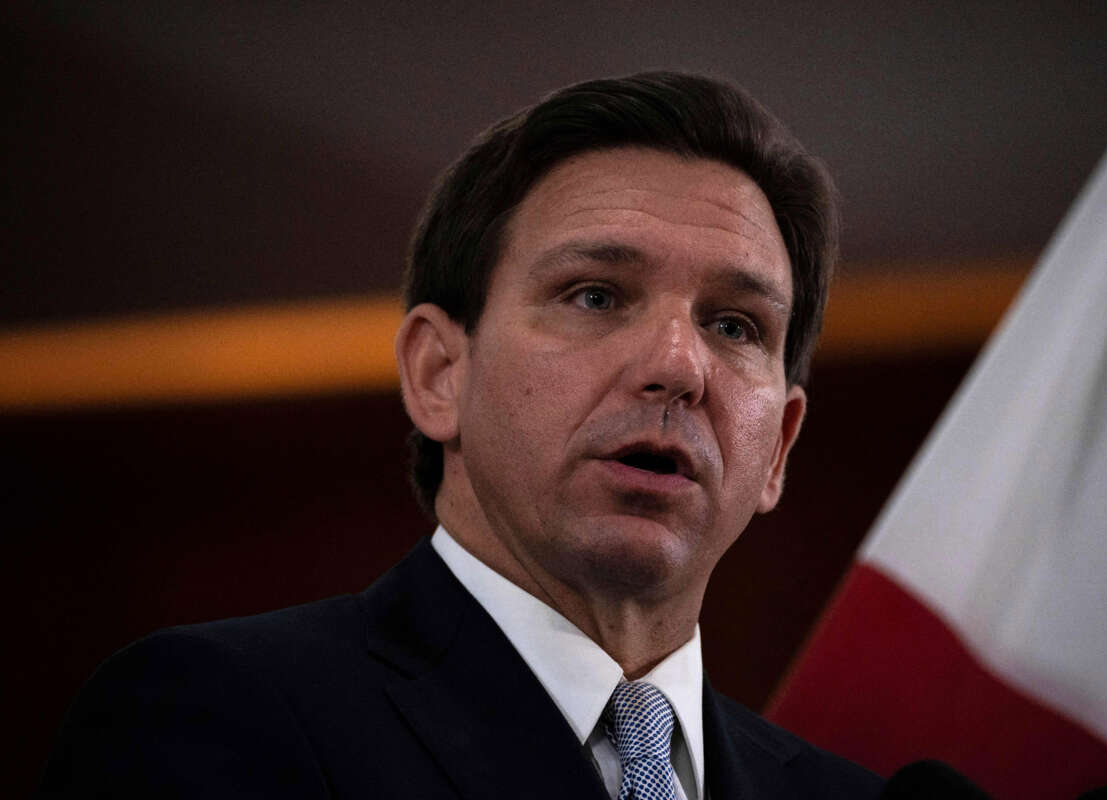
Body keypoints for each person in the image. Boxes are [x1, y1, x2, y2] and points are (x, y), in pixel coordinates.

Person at [39, 71, 882, 799]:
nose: (678, 364)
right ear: (439, 375)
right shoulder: (220, 721)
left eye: (734, 325)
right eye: (596, 295)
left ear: (778, 447)